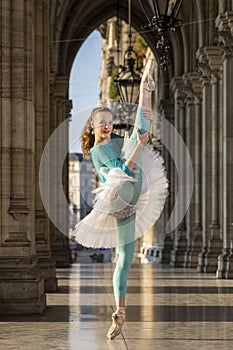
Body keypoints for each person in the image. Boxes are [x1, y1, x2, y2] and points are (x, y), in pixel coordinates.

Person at [72, 58, 168, 339]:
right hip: (121, 198)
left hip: (134, 194)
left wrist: (144, 97)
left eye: (110, 122)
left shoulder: (116, 139)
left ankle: (144, 88)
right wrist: (138, 145)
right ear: (93, 126)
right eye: (102, 123)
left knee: (125, 258)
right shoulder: (99, 150)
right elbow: (124, 172)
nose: (107, 126)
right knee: (123, 257)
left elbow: (141, 127)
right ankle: (119, 312)